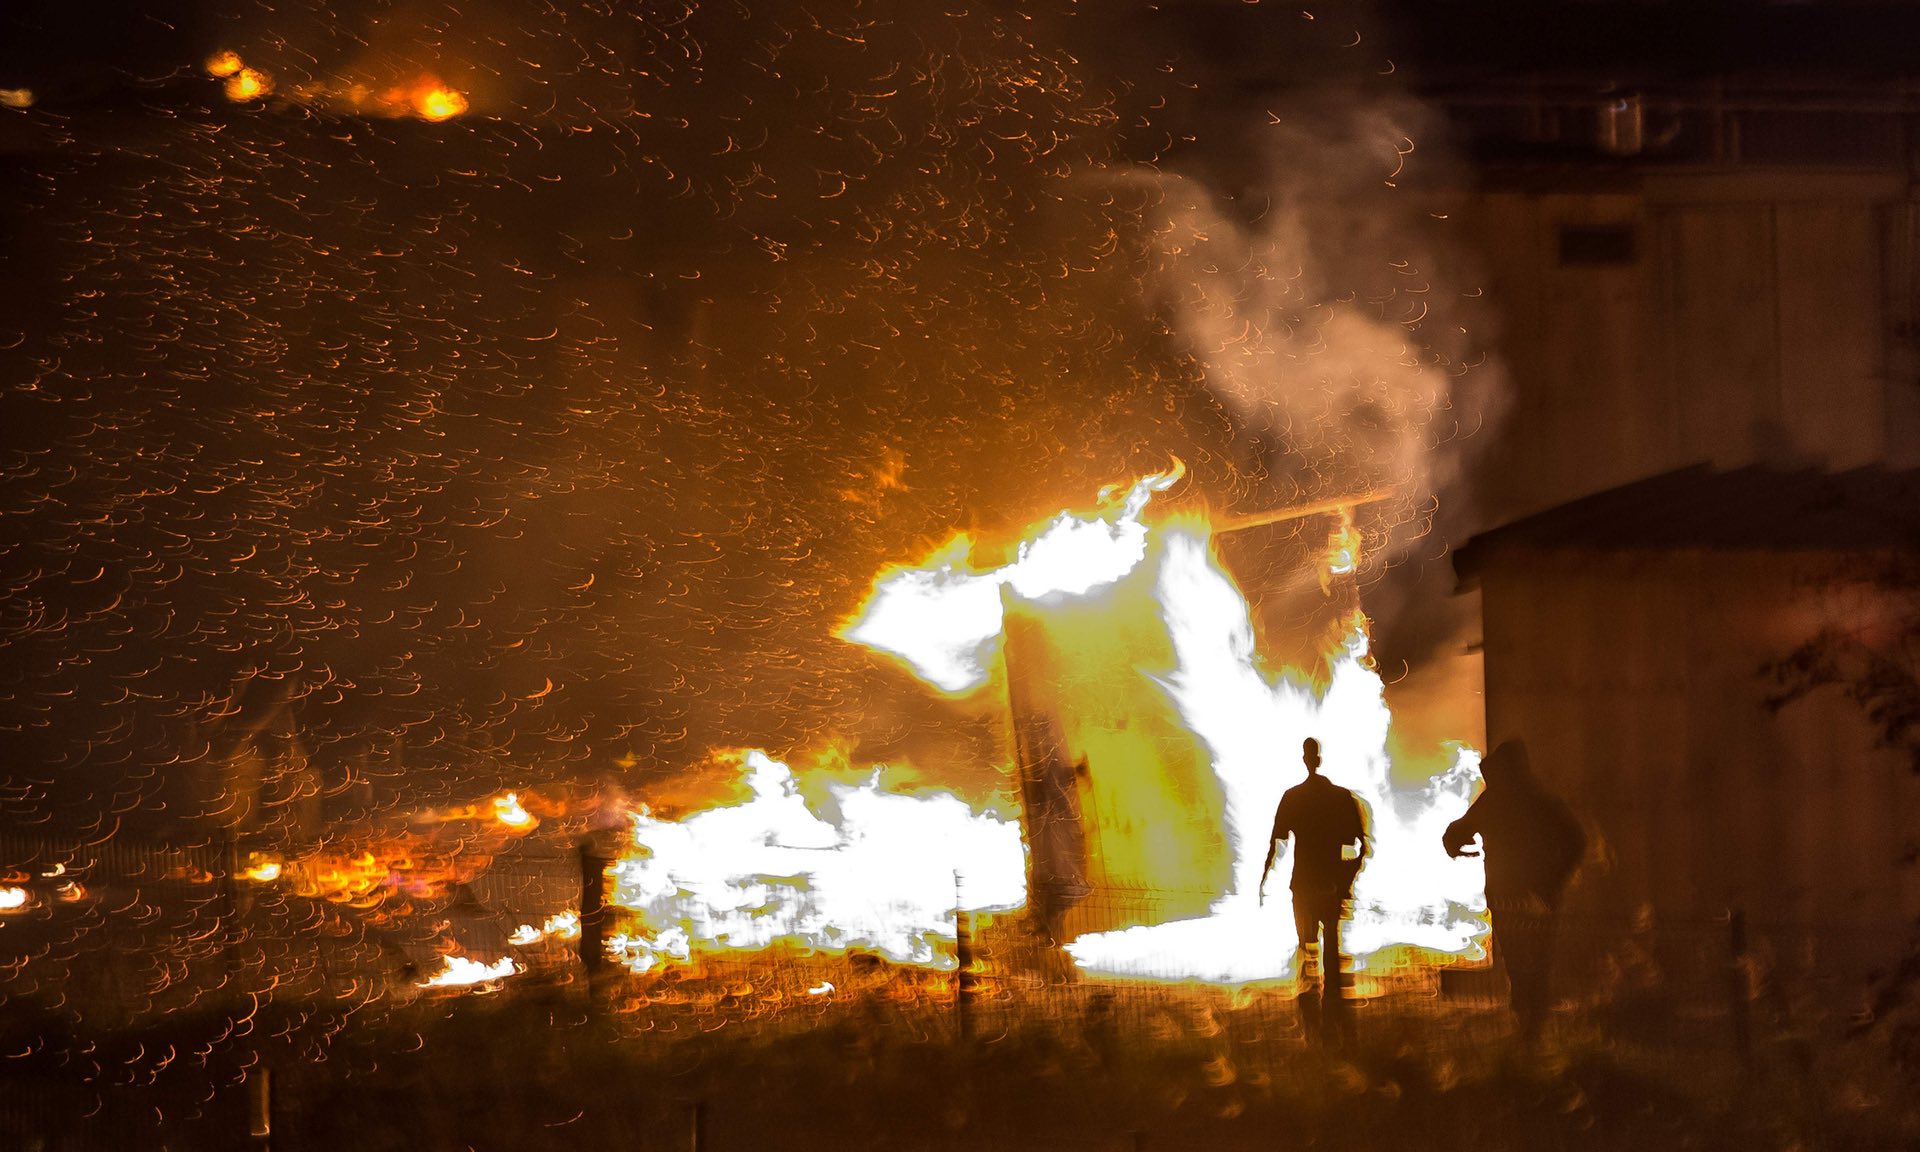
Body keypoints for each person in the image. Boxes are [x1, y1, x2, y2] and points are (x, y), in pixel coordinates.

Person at [1442, 738, 1586, 1041]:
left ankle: (1526, 1022)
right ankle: (1534, 1024)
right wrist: (1555, 880)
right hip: (1539, 897)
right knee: (1539, 957)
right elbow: (1576, 840)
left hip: (1505, 895)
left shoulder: (1493, 801)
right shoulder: (1541, 800)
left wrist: (1459, 849)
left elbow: (1455, 833)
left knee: (1516, 957)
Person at [1261, 737, 1370, 1041]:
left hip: (1305, 886)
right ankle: (1334, 1017)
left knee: (1308, 948)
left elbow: (1276, 843)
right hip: (1329, 885)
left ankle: (1313, 1018)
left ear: (1306, 759)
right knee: (1330, 950)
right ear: (1317, 760)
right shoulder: (1341, 798)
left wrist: (1265, 877)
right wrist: (1346, 878)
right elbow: (1360, 844)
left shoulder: (1293, 798)